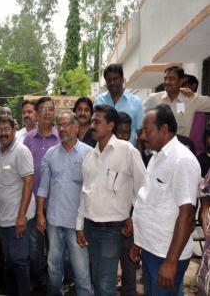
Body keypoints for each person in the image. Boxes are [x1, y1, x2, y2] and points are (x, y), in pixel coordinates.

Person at [131, 104, 200, 295]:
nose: (143, 136)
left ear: (164, 129)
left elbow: (186, 215)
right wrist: (138, 242)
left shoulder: (182, 160)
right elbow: (148, 201)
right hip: (151, 247)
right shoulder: (156, 157)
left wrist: (171, 262)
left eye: (147, 130)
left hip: (167, 253)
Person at [76, 104, 145, 296]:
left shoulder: (127, 151)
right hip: (90, 228)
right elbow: (85, 193)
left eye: (97, 121)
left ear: (110, 125)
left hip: (112, 230)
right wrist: (79, 226)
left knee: (105, 285)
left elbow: (143, 190)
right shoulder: (90, 157)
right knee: (97, 280)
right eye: (92, 121)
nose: (92, 126)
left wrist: (134, 218)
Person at [36, 112, 94, 296]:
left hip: (78, 223)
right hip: (54, 220)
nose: (62, 129)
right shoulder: (51, 154)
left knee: (81, 270)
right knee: (53, 266)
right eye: (59, 125)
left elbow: (93, 190)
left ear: (77, 127)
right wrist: (40, 214)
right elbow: (43, 187)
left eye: (66, 124)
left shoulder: (89, 154)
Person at [0, 115, 35, 296]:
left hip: (18, 219)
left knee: (19, 261)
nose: (3, 133)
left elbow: (29, 183)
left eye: (7, 129)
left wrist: (21, 216)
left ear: (14, 130)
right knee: (8, 260)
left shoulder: (21, 152)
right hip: (2, 219)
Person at [24, 96, 60, 290]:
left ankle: (54, 283)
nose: (47, 112)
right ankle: (36, 283)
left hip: (56, 203)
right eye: (43, 109)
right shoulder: (28, 139)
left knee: (54, 248)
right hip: (32, 201)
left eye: (50, 109)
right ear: (36, 114)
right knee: (34, 247)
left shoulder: (61, 137)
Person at [144, 66, 210, 137]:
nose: (167, 82)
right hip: (158, 146)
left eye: (171, 79)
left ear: (180, 81)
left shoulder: (191, 99)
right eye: (165, 78)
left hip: (181, 145)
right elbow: (140, 117)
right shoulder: (154, 98)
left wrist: (178, 89)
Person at [115, 112, 138, 296]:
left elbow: (141, 190)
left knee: (129, 265)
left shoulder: (133, 152)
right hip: (110, 220)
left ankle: (128, 291)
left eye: (127, 133)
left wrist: (133, 217)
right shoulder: (105, 153)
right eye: (121, 132)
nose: (124, 136)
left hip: (129, 219)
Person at [94, 63, 144, 145]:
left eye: (115, 79)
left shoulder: (136, 102)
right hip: (104, 152)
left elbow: (140, 132)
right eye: (109, 80)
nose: (112, 83)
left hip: (128, 154)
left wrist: (137, 154)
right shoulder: (99, 101)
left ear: (122, 80)